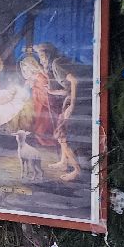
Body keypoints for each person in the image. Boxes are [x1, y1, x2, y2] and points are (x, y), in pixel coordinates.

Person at [36, 43, 87, 182]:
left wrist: (72, 105)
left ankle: (77, 170)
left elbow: (74, 82)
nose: (40, 60)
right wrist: (51, 91)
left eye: (41, 56)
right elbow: (66, 89)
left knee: (63, 136)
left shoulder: (57, 64)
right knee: (61, 134)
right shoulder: (55, 66)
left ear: (47, 54)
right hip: (68, 99)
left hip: (73, 101)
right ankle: (64, 162)